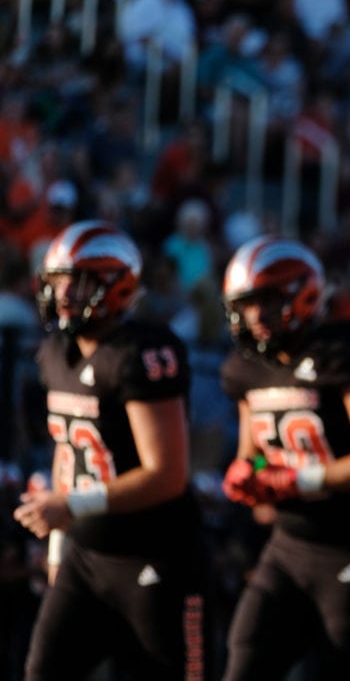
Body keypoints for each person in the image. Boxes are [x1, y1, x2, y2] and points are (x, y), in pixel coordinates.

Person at [13, 221, 206, 680]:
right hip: (85, 555)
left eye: (76, 282)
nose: (62, 294)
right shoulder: (55, 354)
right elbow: (67, 456)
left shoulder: (143, 352)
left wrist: (71, 506)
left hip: (154, 555)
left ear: (115, 286)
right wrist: (60, 546)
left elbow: (166, 473)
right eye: (56, 281)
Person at [218, 235, 350, 680]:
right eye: (245, 305)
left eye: (265, 301)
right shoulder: (246, 369)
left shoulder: (343, 350)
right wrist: (249, 474)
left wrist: (299, 480)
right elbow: (259, 455)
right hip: (287, 548)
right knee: (244, 661)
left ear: (301, 294)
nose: (254, 316)